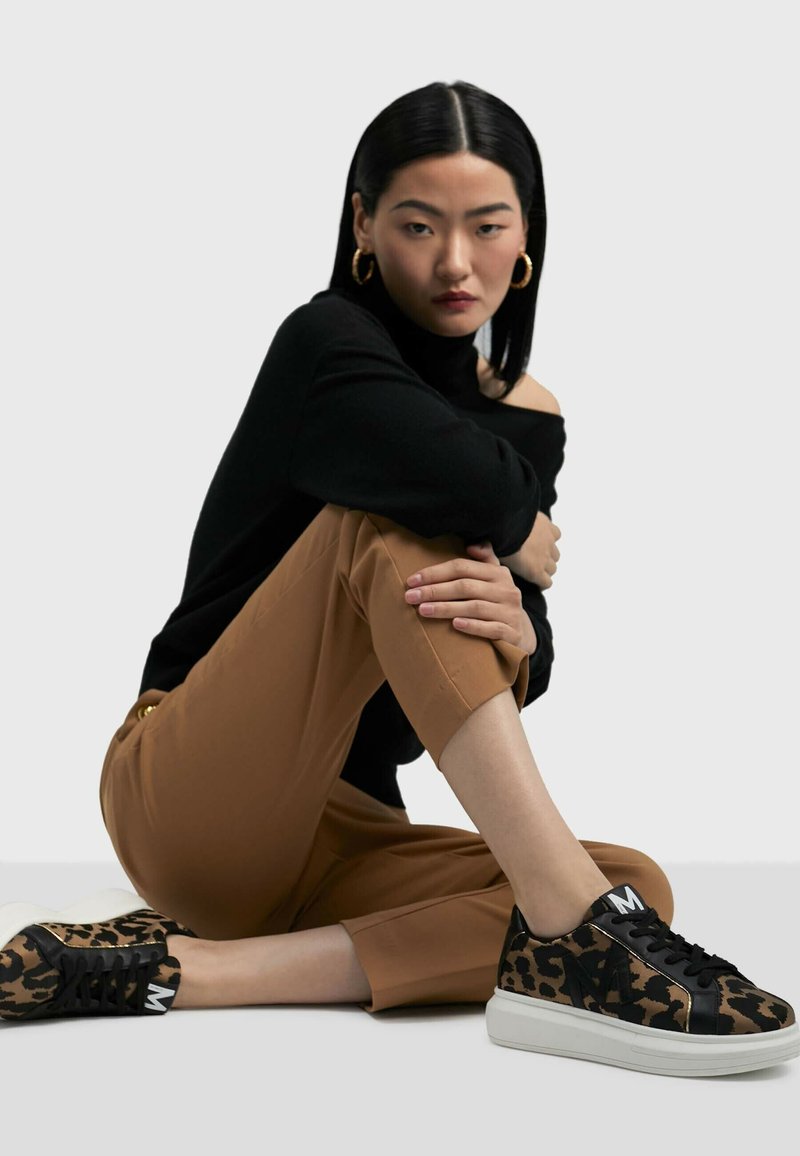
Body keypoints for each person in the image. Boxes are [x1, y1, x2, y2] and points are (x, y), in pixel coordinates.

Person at [1, 79, 796, 1078]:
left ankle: (181, 968)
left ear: (526, 237)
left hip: (350, 831)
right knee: (387, 531)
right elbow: (465, 488)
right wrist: (515, 524)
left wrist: (522, 622)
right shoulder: (325, 345)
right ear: (363, 228)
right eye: (419, 226)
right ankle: (572, 936)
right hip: (189, 794)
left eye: (486, 227)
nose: (455, 262)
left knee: (629, 882)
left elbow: (515, 635)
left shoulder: (529, 415)